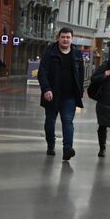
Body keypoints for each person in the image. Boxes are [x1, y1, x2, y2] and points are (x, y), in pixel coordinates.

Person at [37, 27, 85, 160]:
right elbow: (42, 73)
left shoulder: (77, 54)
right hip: (52, 95)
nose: (65, 39)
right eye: (63, 37)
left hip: (69, 96)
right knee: (50, 122)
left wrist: (80, 91)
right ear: (58, 38)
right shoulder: (50, 52)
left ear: (72, 39)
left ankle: (67, 149)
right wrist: (46, 89)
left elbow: (81, 74)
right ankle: (51, 144)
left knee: (68, 122)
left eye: (68, 37)